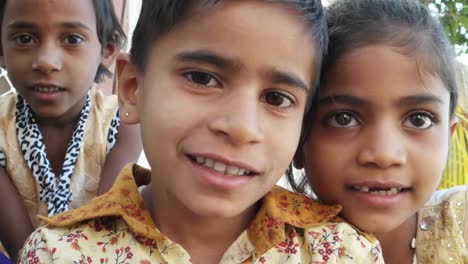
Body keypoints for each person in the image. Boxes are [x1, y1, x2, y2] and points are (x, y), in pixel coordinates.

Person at [18, 0, 384, 263]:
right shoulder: (60, 253)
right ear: (132, 88)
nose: (241, 127)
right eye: (202, 78)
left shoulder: (339, 252)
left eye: (276, 97)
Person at [291, 0, 468, 263]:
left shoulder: (461, 222)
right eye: (343, 118)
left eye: (418, 119)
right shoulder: (267, 247)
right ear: (298, 138)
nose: (384, 155)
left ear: (449, 135)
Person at [0, 0, 142, 261]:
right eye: (24, 38)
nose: (46, 61)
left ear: (108, 50)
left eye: (72, 39)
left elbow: (101, 231)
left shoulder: (122, 122)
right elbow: (21, 246)